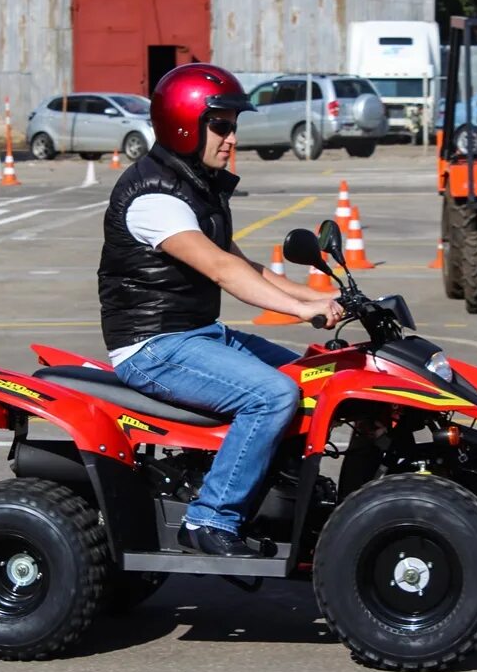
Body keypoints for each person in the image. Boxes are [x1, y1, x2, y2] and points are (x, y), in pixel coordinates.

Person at [97, 63, 342, 558]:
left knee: (314, 376)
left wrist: (322, 296)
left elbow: (243, 263)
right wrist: (302, 312)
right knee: (272, 396)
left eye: (234, 127)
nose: (232, 139)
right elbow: (222, 271)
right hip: (154, 347)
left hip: (197, 335)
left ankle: (286, 493)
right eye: (222, 126)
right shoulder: (153, 196)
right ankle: (209, 520)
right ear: (186, 123)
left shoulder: (196, 183)